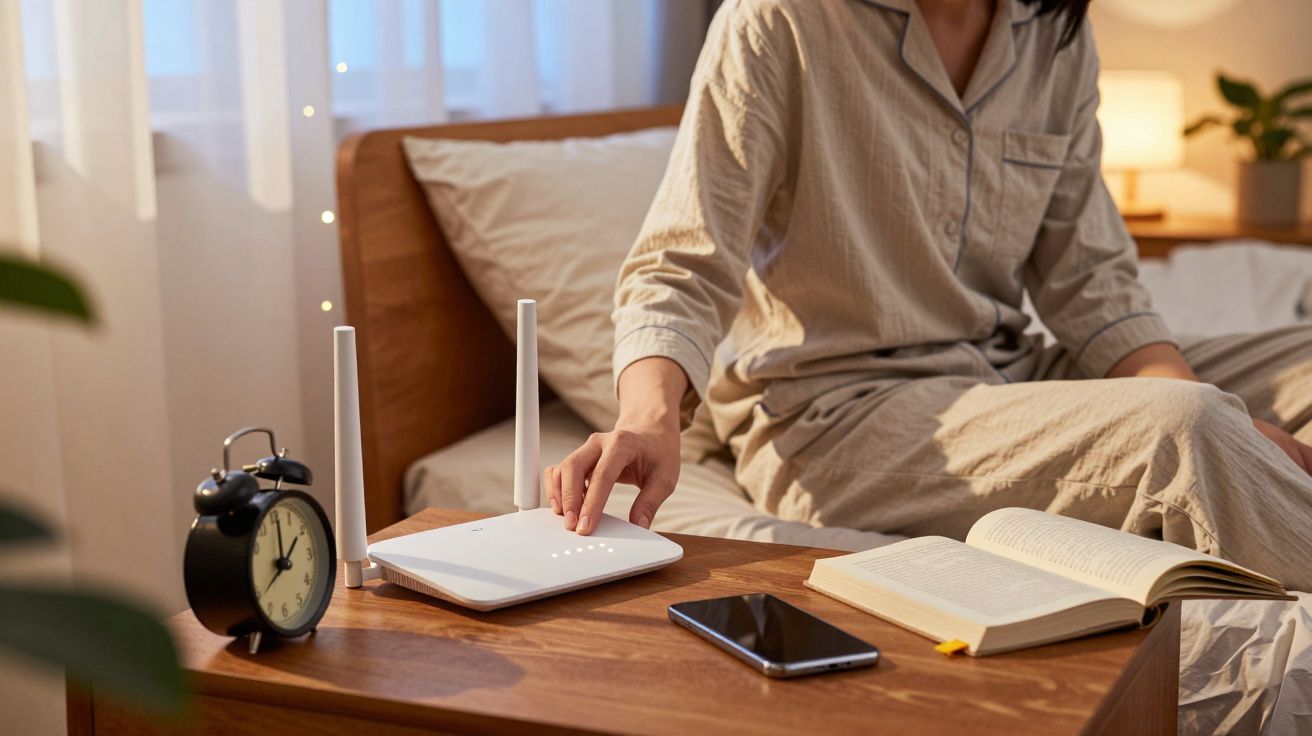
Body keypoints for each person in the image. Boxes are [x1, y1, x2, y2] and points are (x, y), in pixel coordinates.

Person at [544, 0, 1312, 590]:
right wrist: (648, 417)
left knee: (1261, 379)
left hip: (1005, 377)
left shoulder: (1053, 37)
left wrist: (1219, 407)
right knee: (1185, 430)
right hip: (839, 415)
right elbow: (681, 260)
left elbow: (1092, 280)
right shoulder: (781, 19)